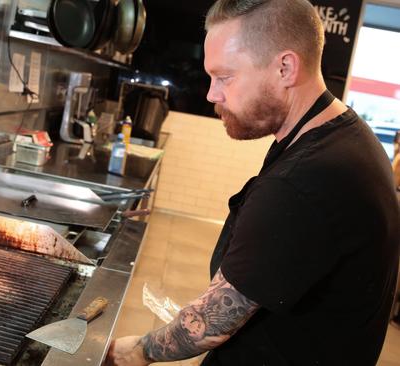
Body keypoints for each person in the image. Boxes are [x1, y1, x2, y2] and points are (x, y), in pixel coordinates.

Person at [105, 0, 400, 365]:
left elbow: (211, 323)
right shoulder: (347, 138)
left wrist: (134, 352)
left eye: (225, 77)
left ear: (285, 67)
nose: (212, 94)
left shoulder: (306, 180)